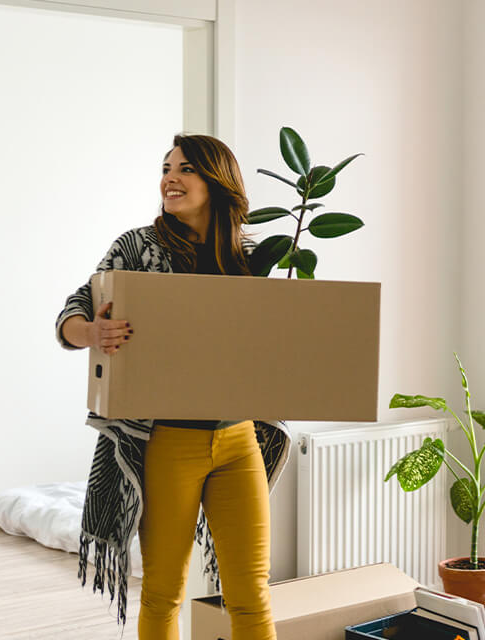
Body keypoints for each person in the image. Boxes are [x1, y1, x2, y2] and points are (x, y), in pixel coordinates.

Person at [55, 134, 291, 639]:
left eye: (185, 168)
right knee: (164, 593)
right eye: (166, 168)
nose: (170, 178)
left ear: (218, 180)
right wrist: (92, 332)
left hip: (239, 438)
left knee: (251, 593)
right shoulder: (137, 246)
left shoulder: (251, 256)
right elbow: (74, 308)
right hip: (167, 443)